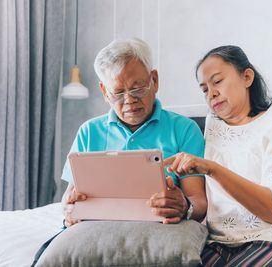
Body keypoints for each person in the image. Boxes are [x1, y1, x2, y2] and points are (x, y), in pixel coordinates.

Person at [164, 45, 272, 266]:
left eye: (217, 81)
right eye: (204, 89)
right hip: (220, 241)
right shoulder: (212, 124)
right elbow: (202, 200)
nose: (212, 93)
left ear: (247, 77)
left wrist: (212, 169)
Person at [61, 38, 207, 227]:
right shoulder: (88, 132)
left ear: (154, 81)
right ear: (105, 92)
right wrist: (68, 208)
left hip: (159, 231)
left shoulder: (185, 130)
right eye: (118, 93)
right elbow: (68, 197)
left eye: (137, 89)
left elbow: (200, 203)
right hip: (96, 230)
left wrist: (184, 206)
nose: (129, 100)